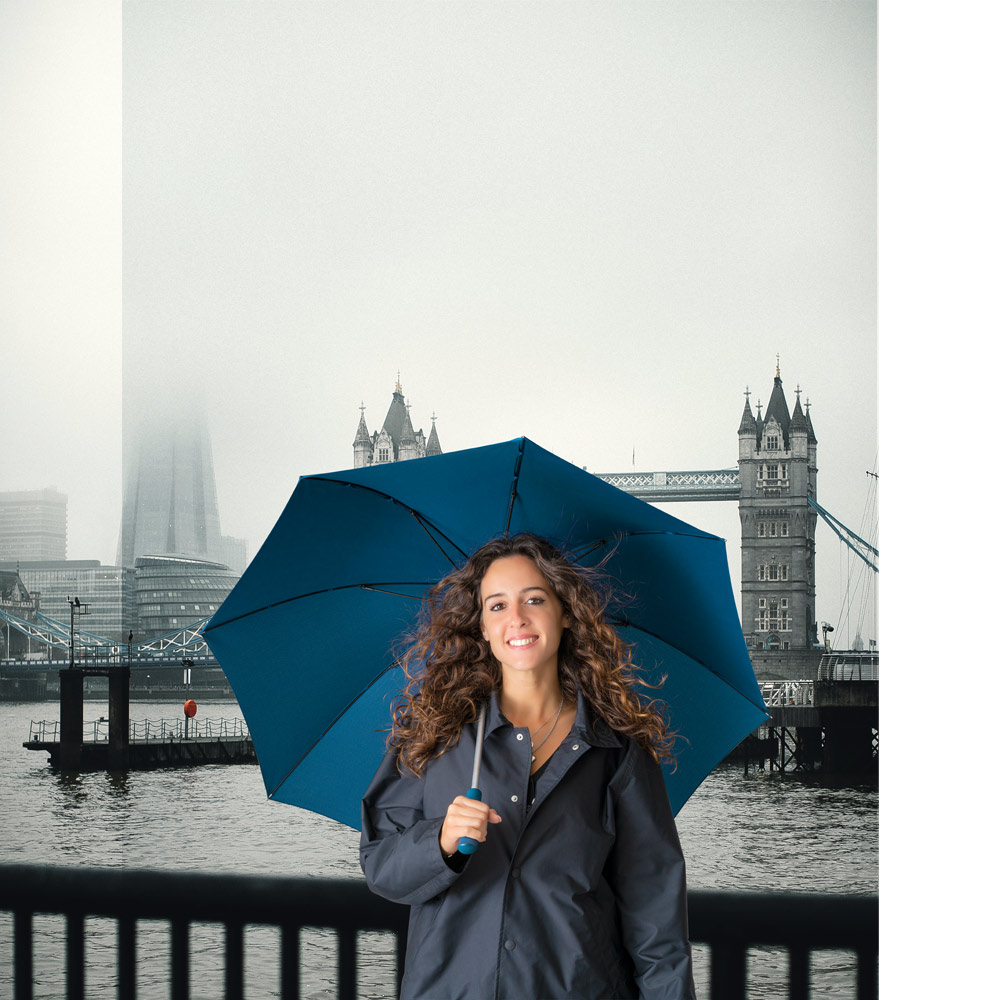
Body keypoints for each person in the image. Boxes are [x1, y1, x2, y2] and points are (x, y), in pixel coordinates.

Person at [360, 533, 696, 999]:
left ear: (564, 611)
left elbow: (655, 914)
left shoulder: (618, 748)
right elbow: (380, 865)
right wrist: (437, 842)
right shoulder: (433, 734)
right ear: (480, 626)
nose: (516, 618)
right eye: (496, 606)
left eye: (534, 599)